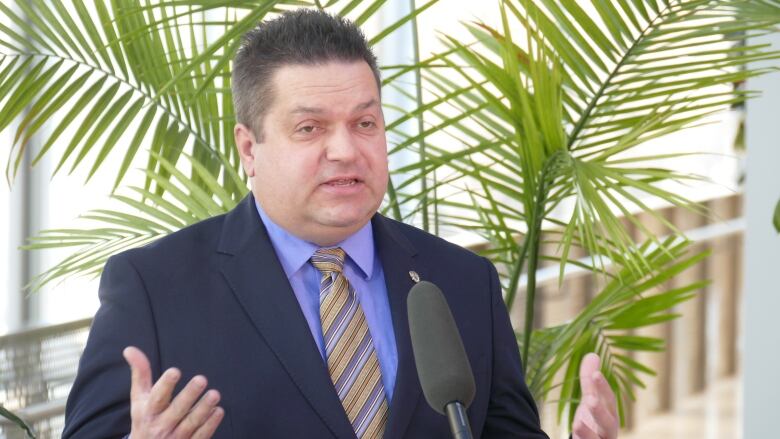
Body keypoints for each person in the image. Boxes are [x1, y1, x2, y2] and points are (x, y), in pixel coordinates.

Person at [63, 9, 618, 439]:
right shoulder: (155, 288)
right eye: (309, 128)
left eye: (365, 122)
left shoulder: (462, 281)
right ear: (249, 148)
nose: (346, 150)